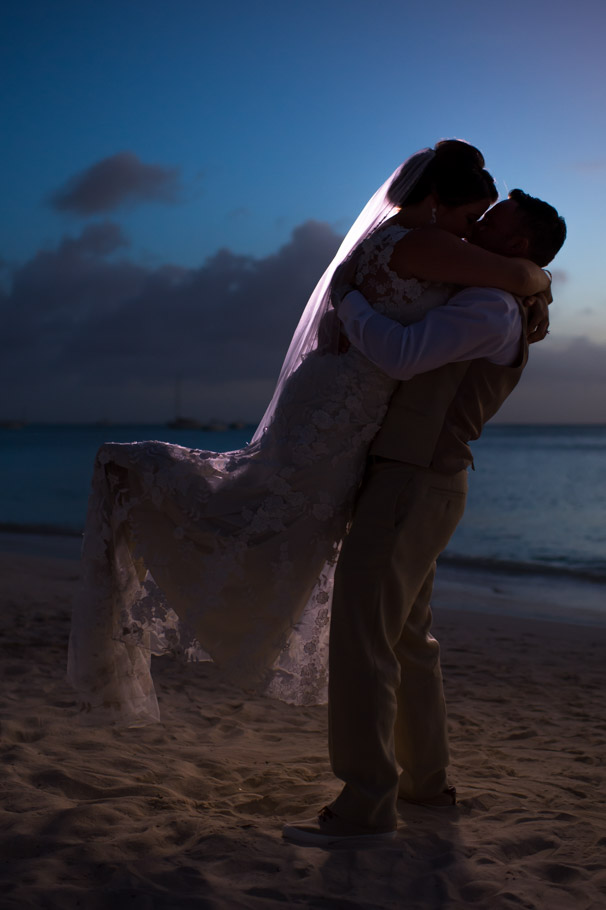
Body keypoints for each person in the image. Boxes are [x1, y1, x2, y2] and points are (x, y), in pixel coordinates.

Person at [67, 141, 551, 726]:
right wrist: (533, 279)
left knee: (272, 515)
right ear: (432, 202)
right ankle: (136, 480)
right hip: (340, 408)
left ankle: (410, 770)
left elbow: (510, 276)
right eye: (468, 215)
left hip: (339, 402)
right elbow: (518, 274)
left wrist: (351, 299)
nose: (470, 230)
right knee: (268, 519)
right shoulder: (425, 243)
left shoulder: (413, 241)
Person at [282, 190, 566, 846]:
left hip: (413, 486)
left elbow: (401, 354)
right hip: (425, 486)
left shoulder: (490, 306)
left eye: (494, 221)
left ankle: (364, 804)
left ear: (518, 246)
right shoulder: (496, 295)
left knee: (363, 640)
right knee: (407, 637)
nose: (476, 225)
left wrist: (348, 296)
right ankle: (427, 783)